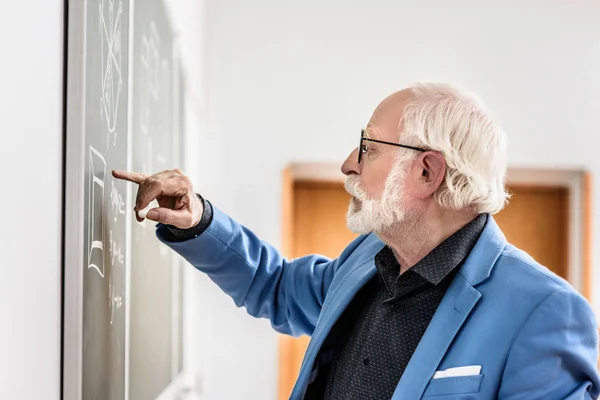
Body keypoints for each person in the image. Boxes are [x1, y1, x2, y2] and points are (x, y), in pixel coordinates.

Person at [113, 82, 600, 399]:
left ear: (427, 170)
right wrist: (198, 220)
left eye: (368, 146)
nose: (349, 162)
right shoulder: (368, 257)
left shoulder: (545, 312)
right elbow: (277, 286)